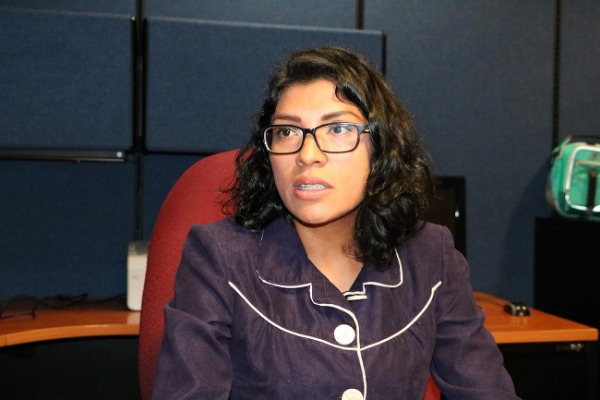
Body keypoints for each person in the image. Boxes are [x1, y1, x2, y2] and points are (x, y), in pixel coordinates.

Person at [152, 46, 519, 400]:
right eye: (287, 131)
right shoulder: (219, 257)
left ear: (380, 146)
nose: (307, 155)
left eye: (338, 128)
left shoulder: (430, 254)